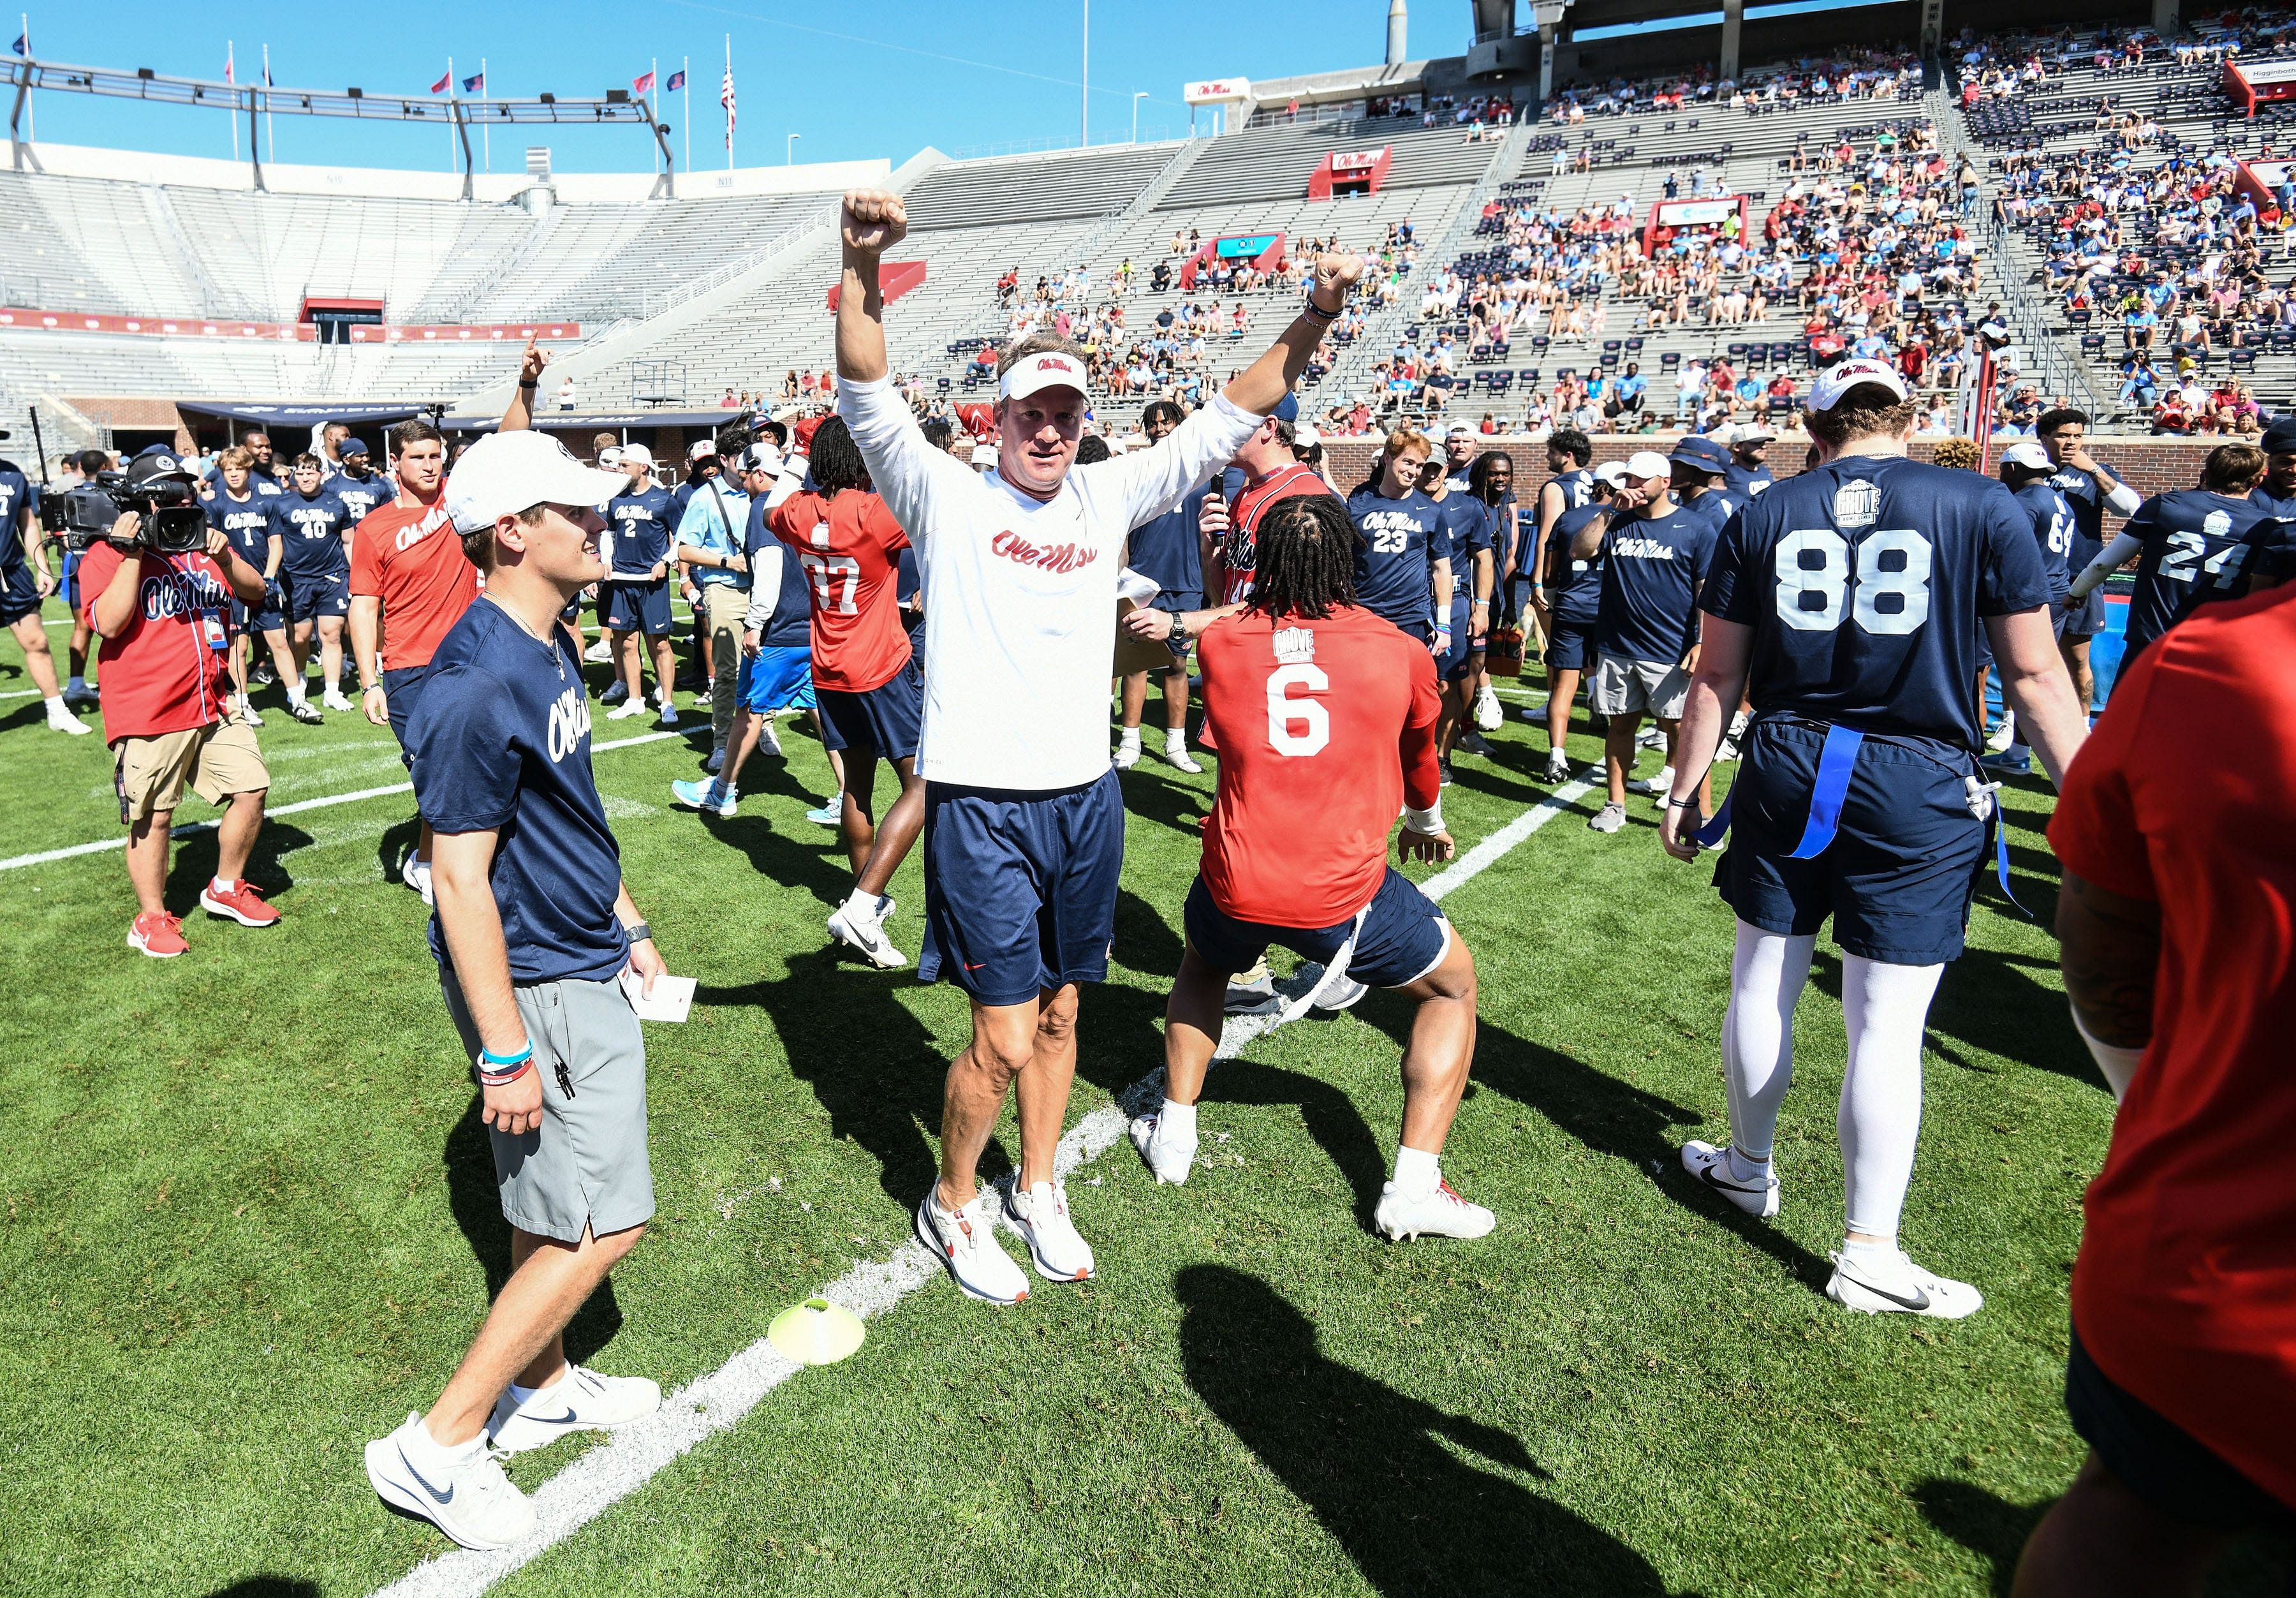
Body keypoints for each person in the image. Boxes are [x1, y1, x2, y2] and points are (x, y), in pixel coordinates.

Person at [833, 185, 1358, 1306]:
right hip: (982, 803)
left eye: (1067, 411)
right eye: (1032, 411)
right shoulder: (944, 496)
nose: (1052, 428)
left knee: (1067, 1011)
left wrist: (1311, 319)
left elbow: (1231, 410)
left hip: (1087, 798)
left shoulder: (1109, 491)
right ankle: (955, 1200)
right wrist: (860, 261)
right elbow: (867, 382)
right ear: (998, 418)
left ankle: (1038, 1185)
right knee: (1004, 1038)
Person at [1658, 359, 2088, 1318]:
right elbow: (2036, 676)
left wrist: (1686, 790)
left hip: (1788, 759)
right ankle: (1868, 1248)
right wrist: (2096, 811)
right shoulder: (1981, 502)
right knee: (1886, 1024)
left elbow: (1714, 677)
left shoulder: (1762, 509)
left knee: (1761, 980)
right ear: (1911, 418)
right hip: (1916, 773)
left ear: (1815, 428)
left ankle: (1748, 1164)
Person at [367, 428, 668, 1552]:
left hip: (579, 951)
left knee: (551, 1211)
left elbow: (568, 815)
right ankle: (437, 1445)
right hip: (536, 980)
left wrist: (627, 919)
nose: (601, 521)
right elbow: (458, 875)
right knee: (605, 1224)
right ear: (512, 533)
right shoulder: (471, 682)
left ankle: (542, 1391)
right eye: (574, 510)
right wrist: (502, 1047)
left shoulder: (546, 643)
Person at [2014, 584, 2296, 1596]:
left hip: (2214, 1259)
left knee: (2131, 1519)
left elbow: (2100, 945)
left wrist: (2154, 1102)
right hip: (2223, 1281)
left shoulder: (2217, 661)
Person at [1129, 494, 1494, 1240]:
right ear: (1347, 560)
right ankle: (1413, 1187)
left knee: (1204, 965)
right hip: (1338, 890)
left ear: (1262, 562)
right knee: (1453, 989)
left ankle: (1174, 1136)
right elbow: (1421, 760)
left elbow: (1225, 655)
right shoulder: (1400, 649)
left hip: (1236, 872)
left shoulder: (1225, 645)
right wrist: (1425, 818)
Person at [81, 449, 282, 957]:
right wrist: (130, 554)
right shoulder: (106, 554)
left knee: (252, 787)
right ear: (141, 500)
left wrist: (224, 558)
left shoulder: (202, 546)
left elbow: (258, 591)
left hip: (214, 698)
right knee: (155, 814)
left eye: (185, 490)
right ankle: (150, 918)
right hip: (150, 707)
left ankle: (226, 887)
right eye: (167, 492)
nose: (180, 500)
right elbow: (108, 623)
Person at [769, 416, 929, 969]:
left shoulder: (798, 511)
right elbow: (928, 517)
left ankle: (865, 904)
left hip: (828, 668)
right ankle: (862, 906)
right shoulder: (874, 512)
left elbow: (774, 505)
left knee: (857, 788)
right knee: (925, 784)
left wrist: (798, 458)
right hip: (880, 664)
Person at [671, 443, 844, 823]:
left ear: (759, 475)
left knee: (748, 711)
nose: (744, 481)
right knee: (819, 712)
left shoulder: (761, 507)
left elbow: (768, 564)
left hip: (779, 630)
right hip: (811, 624)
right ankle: (849, 793)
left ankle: (722, 791)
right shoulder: (806, 501)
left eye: (747, 474)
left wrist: (755, 623)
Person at [350, 418, 478, 907]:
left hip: (468, 657)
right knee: (433, 770)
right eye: (418, 457)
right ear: (395, 465)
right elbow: (364, 607)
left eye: (435, 455)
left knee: (461, 766)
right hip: (408, 669)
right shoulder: (375, 527)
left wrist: (526, 384)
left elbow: (508, 436)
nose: (430, 465)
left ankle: (432, 861)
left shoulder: (459, 496)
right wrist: (369, 682)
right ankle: (427, 862)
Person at [1578, 450, 1713, 834]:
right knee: (1620, 728)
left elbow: (1707, 592)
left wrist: (1702, 642)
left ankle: (1698, 811)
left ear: (1665, 483)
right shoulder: (1616, 522)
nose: (1632, 485)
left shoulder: (1697, 528)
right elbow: (1580, 550)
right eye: (1628, 478)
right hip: (1617, 647)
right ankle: (1614, 805)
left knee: (1684, 734)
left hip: (1670, 651)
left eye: (1641, 479)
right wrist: (1607, 512)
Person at [2068, 443, 2283, 665]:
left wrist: (2076, 592)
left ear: (2206, 472)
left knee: (2133, 700)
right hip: (2214, 645)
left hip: (2153, 637)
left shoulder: (2166, 505)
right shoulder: (2265, 526)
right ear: (2258, 481)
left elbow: (2105, 563)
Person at [1114, 399, 1205, 774]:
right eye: (1152, 424)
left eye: (1166, 422)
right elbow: (1120, 534)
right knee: (1136, 666)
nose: (1159, 429)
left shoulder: (1201, 474)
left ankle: (1175, 744)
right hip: (1142, 582)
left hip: (1185, 583)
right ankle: (1129, 742)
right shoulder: (1138, 475)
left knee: (1177, 666)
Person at [2036, 408, 2139, 720]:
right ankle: (2015, 734)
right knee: (2029, 658)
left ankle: (2080, 729)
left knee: (2079, 659)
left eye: (2078, 436)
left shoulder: (2094, 473)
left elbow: (2131, 507)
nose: (2072, 442)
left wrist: (2092, 469)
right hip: (2037, 574)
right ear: (2044, 438)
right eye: (2064, 436)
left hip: (2080, 576)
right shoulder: (2032, 471)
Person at [1985, 440, 2076, 773]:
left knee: (2019, 675)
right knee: (2036, 673)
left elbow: (2005, 549)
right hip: (2057, 590)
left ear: (2011, 469)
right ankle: (2018, 753)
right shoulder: (2059, 501)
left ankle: (2022, 752)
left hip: (2029, 596)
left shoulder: (2023, 503)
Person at [1539, 461, 1624, 783]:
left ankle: (1556, 756)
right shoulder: (1628, 521)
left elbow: (1549, 573)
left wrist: (1552, 595)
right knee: (1616, 687)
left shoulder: (1568, 518)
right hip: (1611, 611)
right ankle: (1615, 757)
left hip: (1571, 608)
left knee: (1563, 686)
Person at [671, 435, 752, 768]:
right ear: (725, 459)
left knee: (761, 665)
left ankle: (762, 726)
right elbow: (684, 549)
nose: (747, 465)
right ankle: (721, 741)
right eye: (740, 458)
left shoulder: (760, 492)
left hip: (761, 589)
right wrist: (725, 562)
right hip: (725, 588)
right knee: (728, 670)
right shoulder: (704, 498)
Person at [0, 435, 89, 734]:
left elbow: (27, 523)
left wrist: (42, 567)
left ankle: (57, 711)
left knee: (37, 642)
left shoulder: (12, 474)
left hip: (10, 572)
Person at [200, 446, 289, 728]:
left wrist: (270, 577)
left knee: (279, 641)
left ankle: (296, 696)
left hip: (264, 582)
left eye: (239, 469)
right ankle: (242, 703)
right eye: (228, 470)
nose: (234, 474)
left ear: (249, 470)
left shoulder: (267, 503)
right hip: (232, 586)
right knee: (238, 647)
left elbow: (276, 543)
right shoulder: (215, 505)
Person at [268, 451, 358, 720]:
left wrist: (354, 574)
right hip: (296, 580)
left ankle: (332, 690)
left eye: (311, 472)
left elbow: (349, 541)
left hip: (332, 577)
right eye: (301, 472)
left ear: (321, 474)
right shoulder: (281, 504)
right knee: (299, 637)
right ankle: (300, 679)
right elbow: (276, 544)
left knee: (332, 634)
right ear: (294, 475)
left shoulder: (337, 503)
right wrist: (270, 576)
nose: (306, 477)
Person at [1344, 429, 1450, 653]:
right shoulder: (1360, 501)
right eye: (1408, 462)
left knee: (1404, 685)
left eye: (1419, 466)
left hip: (1411, 615)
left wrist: (1444, 625)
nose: (1413, 472)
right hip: (1363, 611)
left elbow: (1441, 569)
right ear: (1388, 458)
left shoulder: (1431, 510)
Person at [1425, 451, 1494, 779]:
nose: (1429, 474)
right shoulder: (1400, 504)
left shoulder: (1467, 508)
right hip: (1410, 604)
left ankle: (1442, 756)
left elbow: (1484, 560)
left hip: (1454, 605)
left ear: (1446, 468)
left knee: (1446, 684)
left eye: (1435, 468)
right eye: (1423, 467)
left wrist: (1482, 607)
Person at [601, 443, 681, 726]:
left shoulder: (664, 499)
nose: (619, 469)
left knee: (659, 644)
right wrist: (608, 560)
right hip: (623, 580)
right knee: (626, 642)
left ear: (643, 467)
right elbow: (609, 534)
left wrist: (666, 562)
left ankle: (668, 701)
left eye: (625, 465)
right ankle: (634, 699)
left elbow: (681, 536)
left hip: (651, 582)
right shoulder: (616, 499)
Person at [330, 438, 395, 526]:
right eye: (360, 456)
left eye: (367, 455)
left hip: (371, 537)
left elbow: (388, 519)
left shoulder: (380, 486)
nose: (366, 459)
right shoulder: (331, 486)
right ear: (346, 460)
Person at [1721, 422, 1776, 499]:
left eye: (1764, 443)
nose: (1764, 447)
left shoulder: (1765, 471)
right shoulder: (1726, 474)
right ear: (1737, 447)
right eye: (1757, 443)